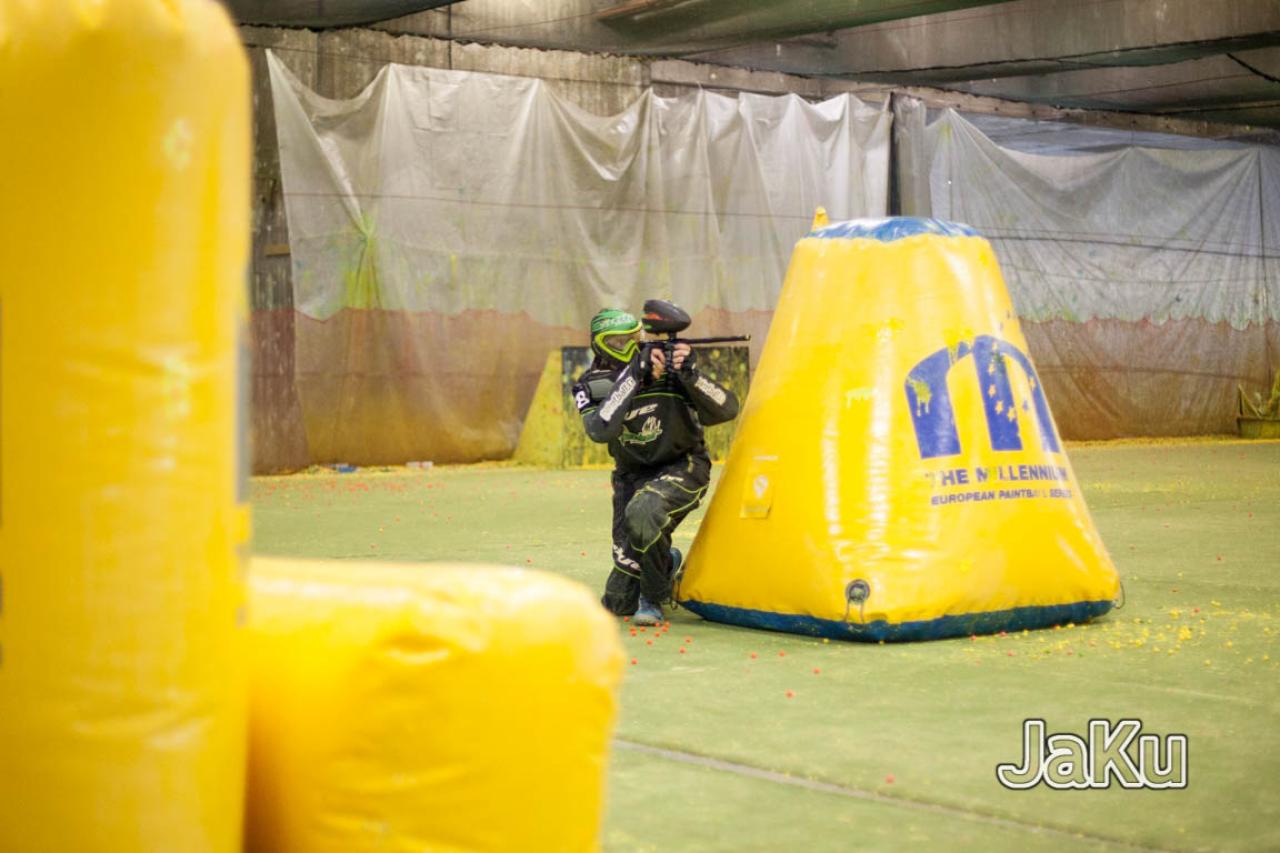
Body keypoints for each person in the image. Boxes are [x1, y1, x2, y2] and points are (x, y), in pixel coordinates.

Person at [573, 308, 740, 626]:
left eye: (634, 338)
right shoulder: (589, 385)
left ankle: (652, 597)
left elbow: (727, 409)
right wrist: (633, 377)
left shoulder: (670, 374)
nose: (630, 346)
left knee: (645, 511)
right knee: (618, 601)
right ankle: (665, 563)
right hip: (631, 476)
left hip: (683, 466)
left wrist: (690, 373)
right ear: (600, 345)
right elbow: (599, 430)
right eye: (619, 342)